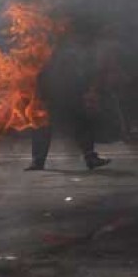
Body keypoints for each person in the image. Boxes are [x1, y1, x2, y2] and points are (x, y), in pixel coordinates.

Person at [25, 23, 111, 171]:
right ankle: (38, 160)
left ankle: (90, 157)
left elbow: (78, 73)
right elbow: (37, 74)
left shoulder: (67, 52)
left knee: (80, 124)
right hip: (52, 94)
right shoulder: (43, 51)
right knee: (43, 126)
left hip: (67, 93)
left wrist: (84, 90)